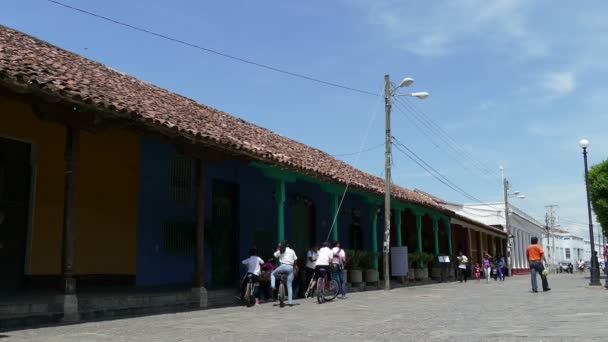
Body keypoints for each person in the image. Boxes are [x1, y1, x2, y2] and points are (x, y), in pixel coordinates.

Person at [271, 240, 298, 306]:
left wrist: (277, 251)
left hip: (282, 267)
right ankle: (290, 302)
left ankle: (273, 286)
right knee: (289, 285)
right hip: (290, 268)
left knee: (272, 274)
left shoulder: (280, 250)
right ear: (288, 245)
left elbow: (274, 256)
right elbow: (295, 260)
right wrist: (294, 268)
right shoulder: (292, 251)